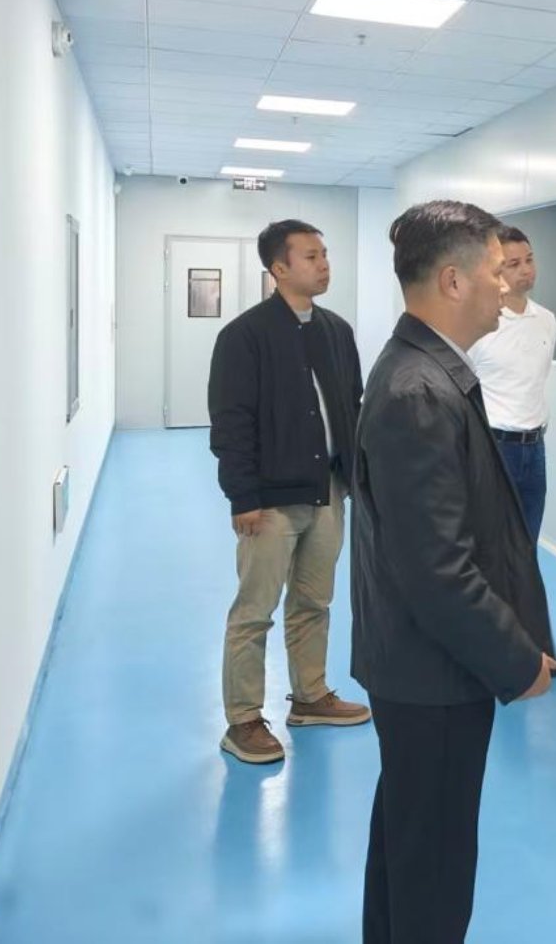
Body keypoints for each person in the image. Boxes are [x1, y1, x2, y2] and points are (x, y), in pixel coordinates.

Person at [351, 200, 556, 944]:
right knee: (433, 864)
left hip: (422, 665)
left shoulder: (430, 372)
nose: (508, 286)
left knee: (411, 840)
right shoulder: (418, 392)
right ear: (452, 280)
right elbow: (439, 570)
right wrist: (517, 660)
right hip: (432, 673)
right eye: (496, 272)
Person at [209, 219, 369, 766]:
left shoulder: (336, 331)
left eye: (325, 254)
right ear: (279, 268)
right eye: (311, 257)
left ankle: (310, 696)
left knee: (314, 602)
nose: (324, 265)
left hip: (327, 491)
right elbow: (231, 423)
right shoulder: (244, 337)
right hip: (270, 501)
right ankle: (243, 721)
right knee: (254, 612)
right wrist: (242, 497)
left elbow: (351, 406)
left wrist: (354, 479)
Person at [466, 225, 556, 545]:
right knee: (490, 544)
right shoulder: (480, 323)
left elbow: (537, 380)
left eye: (529, 260)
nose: (526, 270)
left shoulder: (547, 320)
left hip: (535, 447)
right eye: (514, 264)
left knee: (527, 543)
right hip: (494, 446)